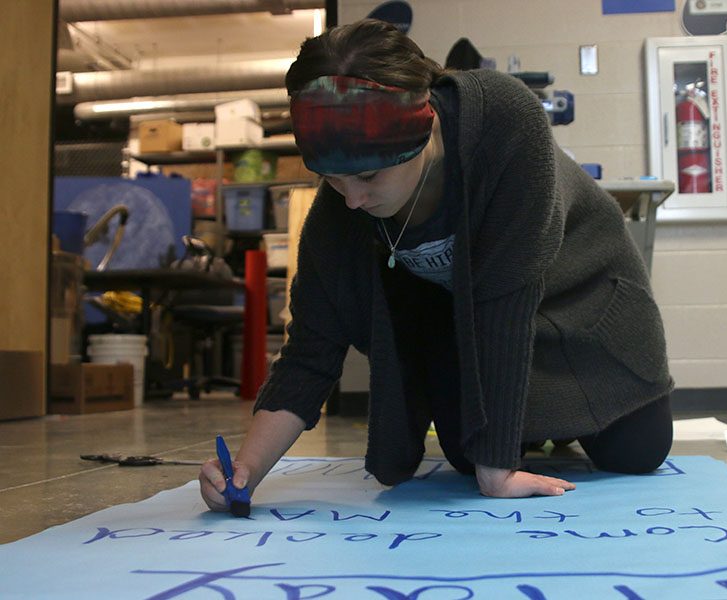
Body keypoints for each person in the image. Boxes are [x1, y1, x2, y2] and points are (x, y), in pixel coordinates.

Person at [200, 18, 674, 509]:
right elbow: (310, 350)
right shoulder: (342, 209)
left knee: (637, 452)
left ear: (424, 133)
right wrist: (246, 469)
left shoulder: (505, 124)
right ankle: (533, 428)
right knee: (469, 460)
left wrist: (499, 470)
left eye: (367, 177)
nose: (352, 200)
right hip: (480, 342)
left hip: (585, 309)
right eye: (332, 180)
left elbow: (505, 306)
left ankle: (549, 427)